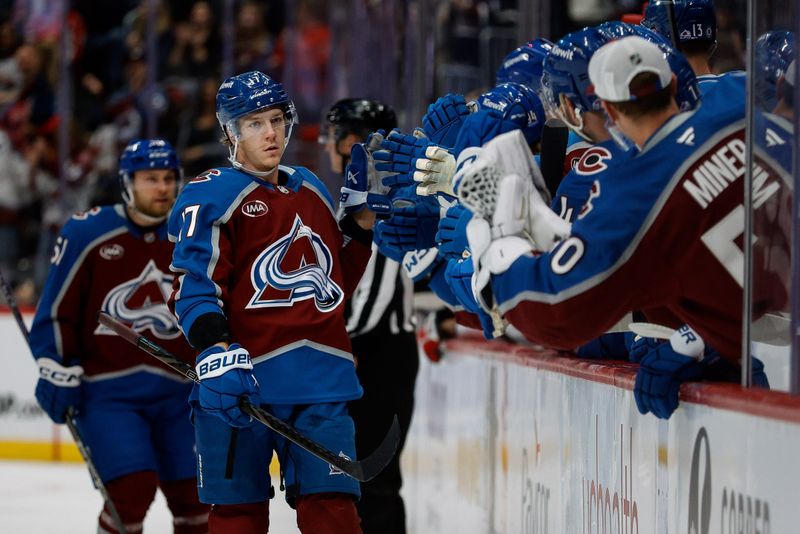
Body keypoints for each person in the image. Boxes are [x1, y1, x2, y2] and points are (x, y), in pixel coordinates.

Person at [460, 36, 787, 417]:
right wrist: (696, 337)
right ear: (675, 84)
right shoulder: (736, 95)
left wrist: (500, 256)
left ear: (608, 111)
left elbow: (559, 309)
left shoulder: (634, 196)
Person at [168, 71, 379, 533]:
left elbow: (334, 285)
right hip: (242, 383)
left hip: (323, 385)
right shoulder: (211, 195)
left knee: (335, 515)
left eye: (278, 120)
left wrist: (361, 227)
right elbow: (193, 286)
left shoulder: (311, 188)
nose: (271, 133)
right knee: (237, 518)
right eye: (254, 123)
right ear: (231, 132)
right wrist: (215, 348)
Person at [29, 139, 209, 533]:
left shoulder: (194, 235)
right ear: (127, 183)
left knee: (197, 500)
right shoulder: (87, 232)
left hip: (182, 393)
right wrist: (55, 364)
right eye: (149, 179)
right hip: (109, 393)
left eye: (168, 178)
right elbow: (58, 309)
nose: (161, 188)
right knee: (130, 491)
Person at [321, 98, 418, 534]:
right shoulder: (366, 188)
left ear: (352, 141)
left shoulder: (384, 189)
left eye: (334, 135)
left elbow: (378, 284)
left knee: (372, 479)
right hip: (368, 349)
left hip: (377, 354)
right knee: (360, 479)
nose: (327, 144)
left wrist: (340, 339)